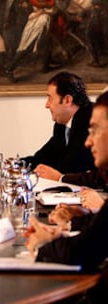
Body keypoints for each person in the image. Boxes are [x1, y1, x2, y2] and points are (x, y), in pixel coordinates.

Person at [25, 91, 108, 274]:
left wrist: (43, 243)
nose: (88, 141)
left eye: (95, 130)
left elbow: (82, 252)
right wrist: (73, 223)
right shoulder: (61, 127)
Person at [22, 71, 95, 175]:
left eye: (50, 98)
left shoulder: (91, 120)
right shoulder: (61, 123)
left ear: (67, 100)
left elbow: (74, 166)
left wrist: (52, 173)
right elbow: (44, 157)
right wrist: (14, 165)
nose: (46, 105)